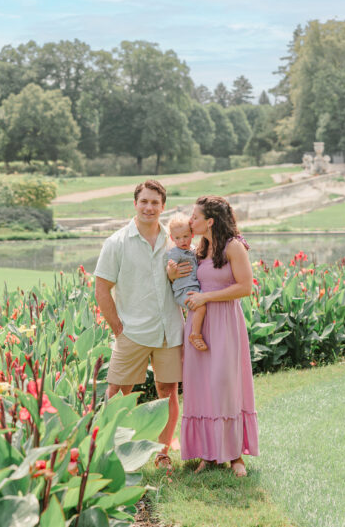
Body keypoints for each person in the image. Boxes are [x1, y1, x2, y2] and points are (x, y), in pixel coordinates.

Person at [94, 180, 184, 469]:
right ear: (135, 203)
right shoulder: (117, 243)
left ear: (163, 207)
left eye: (155, 203)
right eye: (144, 201)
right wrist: (117, 327)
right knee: (117, 393)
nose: (149, 207)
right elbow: (101, 289)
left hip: (169, 330)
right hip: (131, 332)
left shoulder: (174, 242)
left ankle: (162, 454)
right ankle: (108, 452)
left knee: (167, 392)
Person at [168, 195, 258, 476]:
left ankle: (234, 455)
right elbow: (185, 281)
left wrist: (208, 296)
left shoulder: (234, 247)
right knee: (200, 386)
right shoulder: (196, 249)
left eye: (195, 217)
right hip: (199, 323)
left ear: (210, 221)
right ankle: (207, 453)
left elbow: (246, 287)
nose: (190, 220)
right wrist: (173, 276)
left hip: (225, 323)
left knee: (224, 383)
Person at [166, 214, 207, 351]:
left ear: (192, 234)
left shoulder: (193, 249)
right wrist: (171, 269)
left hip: (193, 289)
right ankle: (195, 335)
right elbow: (169, 266)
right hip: (183, 291)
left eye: (185, 236)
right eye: (177, 238)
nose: (182, 240)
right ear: (172, 238)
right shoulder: (175, 253)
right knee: (200, 307)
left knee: (203, 305)